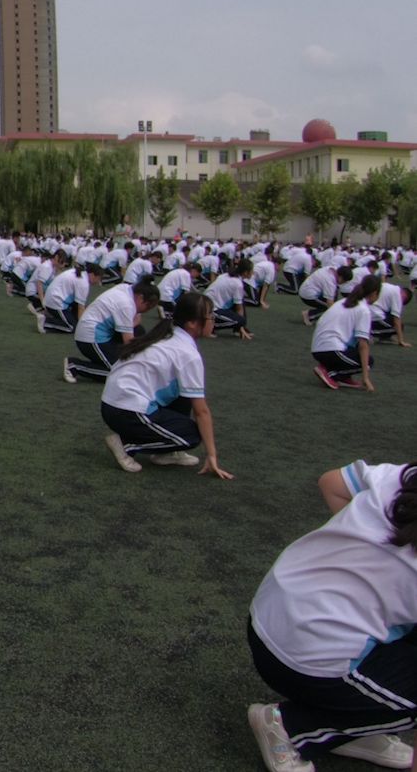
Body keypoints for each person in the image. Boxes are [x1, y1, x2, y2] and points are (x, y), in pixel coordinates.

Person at [245, 460, 417, 772]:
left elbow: (331, 482)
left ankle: (357, 729)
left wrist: (356, 563)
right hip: (304, 663)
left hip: (264, 620)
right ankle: (290, 726)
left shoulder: (406, 476)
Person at [98, 292, 231, 477]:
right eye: (210, 317)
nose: (213, 321)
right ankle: (126, 445)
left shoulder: (167, 334)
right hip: (127, 410)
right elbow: (202, 412)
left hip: (113, 404)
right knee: (192, 435)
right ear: (192, 323)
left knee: (186, 394)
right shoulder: (187, 353)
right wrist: (212, 455)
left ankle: (166, 452)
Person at [63, 281, 160, 383]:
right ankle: (74, 365)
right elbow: (129, 342)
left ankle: (106, 360)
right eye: (148, 307)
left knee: (138, 331)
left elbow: (135, 322)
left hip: (101, 333)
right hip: (91, 338)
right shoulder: (126, 305)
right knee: (119, 374)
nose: (146, 311)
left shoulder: (127, 289)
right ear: (140, 298)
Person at [311, 274, 379, 391]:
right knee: (368, 362)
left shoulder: (344, 301)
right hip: (331, 350)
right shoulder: (363, 310)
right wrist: (366, 378)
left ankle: (343, 376)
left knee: (355, 349)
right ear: (375, 293)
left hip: (318, 349)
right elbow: (363, 346)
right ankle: (330, 373)